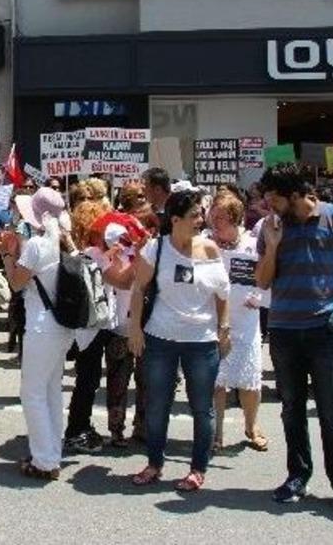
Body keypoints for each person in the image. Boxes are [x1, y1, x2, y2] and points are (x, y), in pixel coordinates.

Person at [257, 164, 333, 517]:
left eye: (274, 198)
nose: (269, 205)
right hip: (284, 331)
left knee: (331, 412)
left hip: (326, 329)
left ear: (293, 195)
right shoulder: (270, 226)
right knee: (292, 409)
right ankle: (298, 476)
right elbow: (262, 281)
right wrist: (273, 246)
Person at [127, 190, 231, 492]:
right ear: (175, 220)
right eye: (194, 215)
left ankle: (198, 468)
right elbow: (138, 289)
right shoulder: (156, 249)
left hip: (202, 341)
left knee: (202, 407)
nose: (201, 220)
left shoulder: (210, 249)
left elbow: (222, 293)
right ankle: (154, 464)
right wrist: (135, 328)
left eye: (201, 214)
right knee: (157, 405)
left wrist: (224, 327)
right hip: (160, 338)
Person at [0, 187, 72, 481]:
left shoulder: (37, 245)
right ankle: (51, 453)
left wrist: (7, 254)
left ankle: (44, 460)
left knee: (32, 393)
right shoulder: (64, 242)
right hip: (63, 325)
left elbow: (16, 284)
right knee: (51, 391)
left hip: (42, 327)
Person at [63, 199, 141, 453]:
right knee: (88, 379)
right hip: (91, 327)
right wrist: (139, 257)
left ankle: (81, 426)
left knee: (91, 378)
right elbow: (122, 281)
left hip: (99, 324)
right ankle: (76, 429)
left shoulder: (98, 252)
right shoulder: (93, 254)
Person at [207, 193, 269, 451]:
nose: (215, 222)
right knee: (216, 382)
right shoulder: (206, 244)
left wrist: (260, 297)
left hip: (246, 323)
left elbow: (266, 278)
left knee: (249, 382)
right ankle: (216, 432)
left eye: (221, 217)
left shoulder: (253, 244)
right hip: (213, 322)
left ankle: (251, 426)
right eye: (213, 216)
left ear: (235, 218)